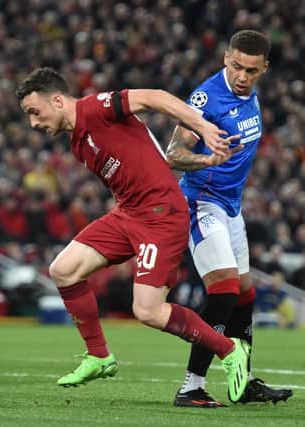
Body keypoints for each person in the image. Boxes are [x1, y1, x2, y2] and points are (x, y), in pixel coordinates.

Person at [15, 67, 251, 403]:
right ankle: (98, 355)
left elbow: (154, 98)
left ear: (57, 100)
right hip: (128, 214)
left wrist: (203, 128)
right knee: (62, 270)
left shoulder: (96, 108)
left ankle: (230, 351)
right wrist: (204, 160)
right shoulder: (78, 144)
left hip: (161, 215)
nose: (33, 123)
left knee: (148, 311)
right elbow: (154, 161)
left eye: (34, 112)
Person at [165, 30, 293, 407]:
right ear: (225, 58)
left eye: (251, 70)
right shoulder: (206, 100)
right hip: (202, 202)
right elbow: (173, 154)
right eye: (236, 66)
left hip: (230, 208)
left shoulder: (251, 95)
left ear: (263, 68)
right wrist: (207, 159)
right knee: (223, 291)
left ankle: (244, 381)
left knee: (245, 297)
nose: (242, 75)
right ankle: (191, 387)